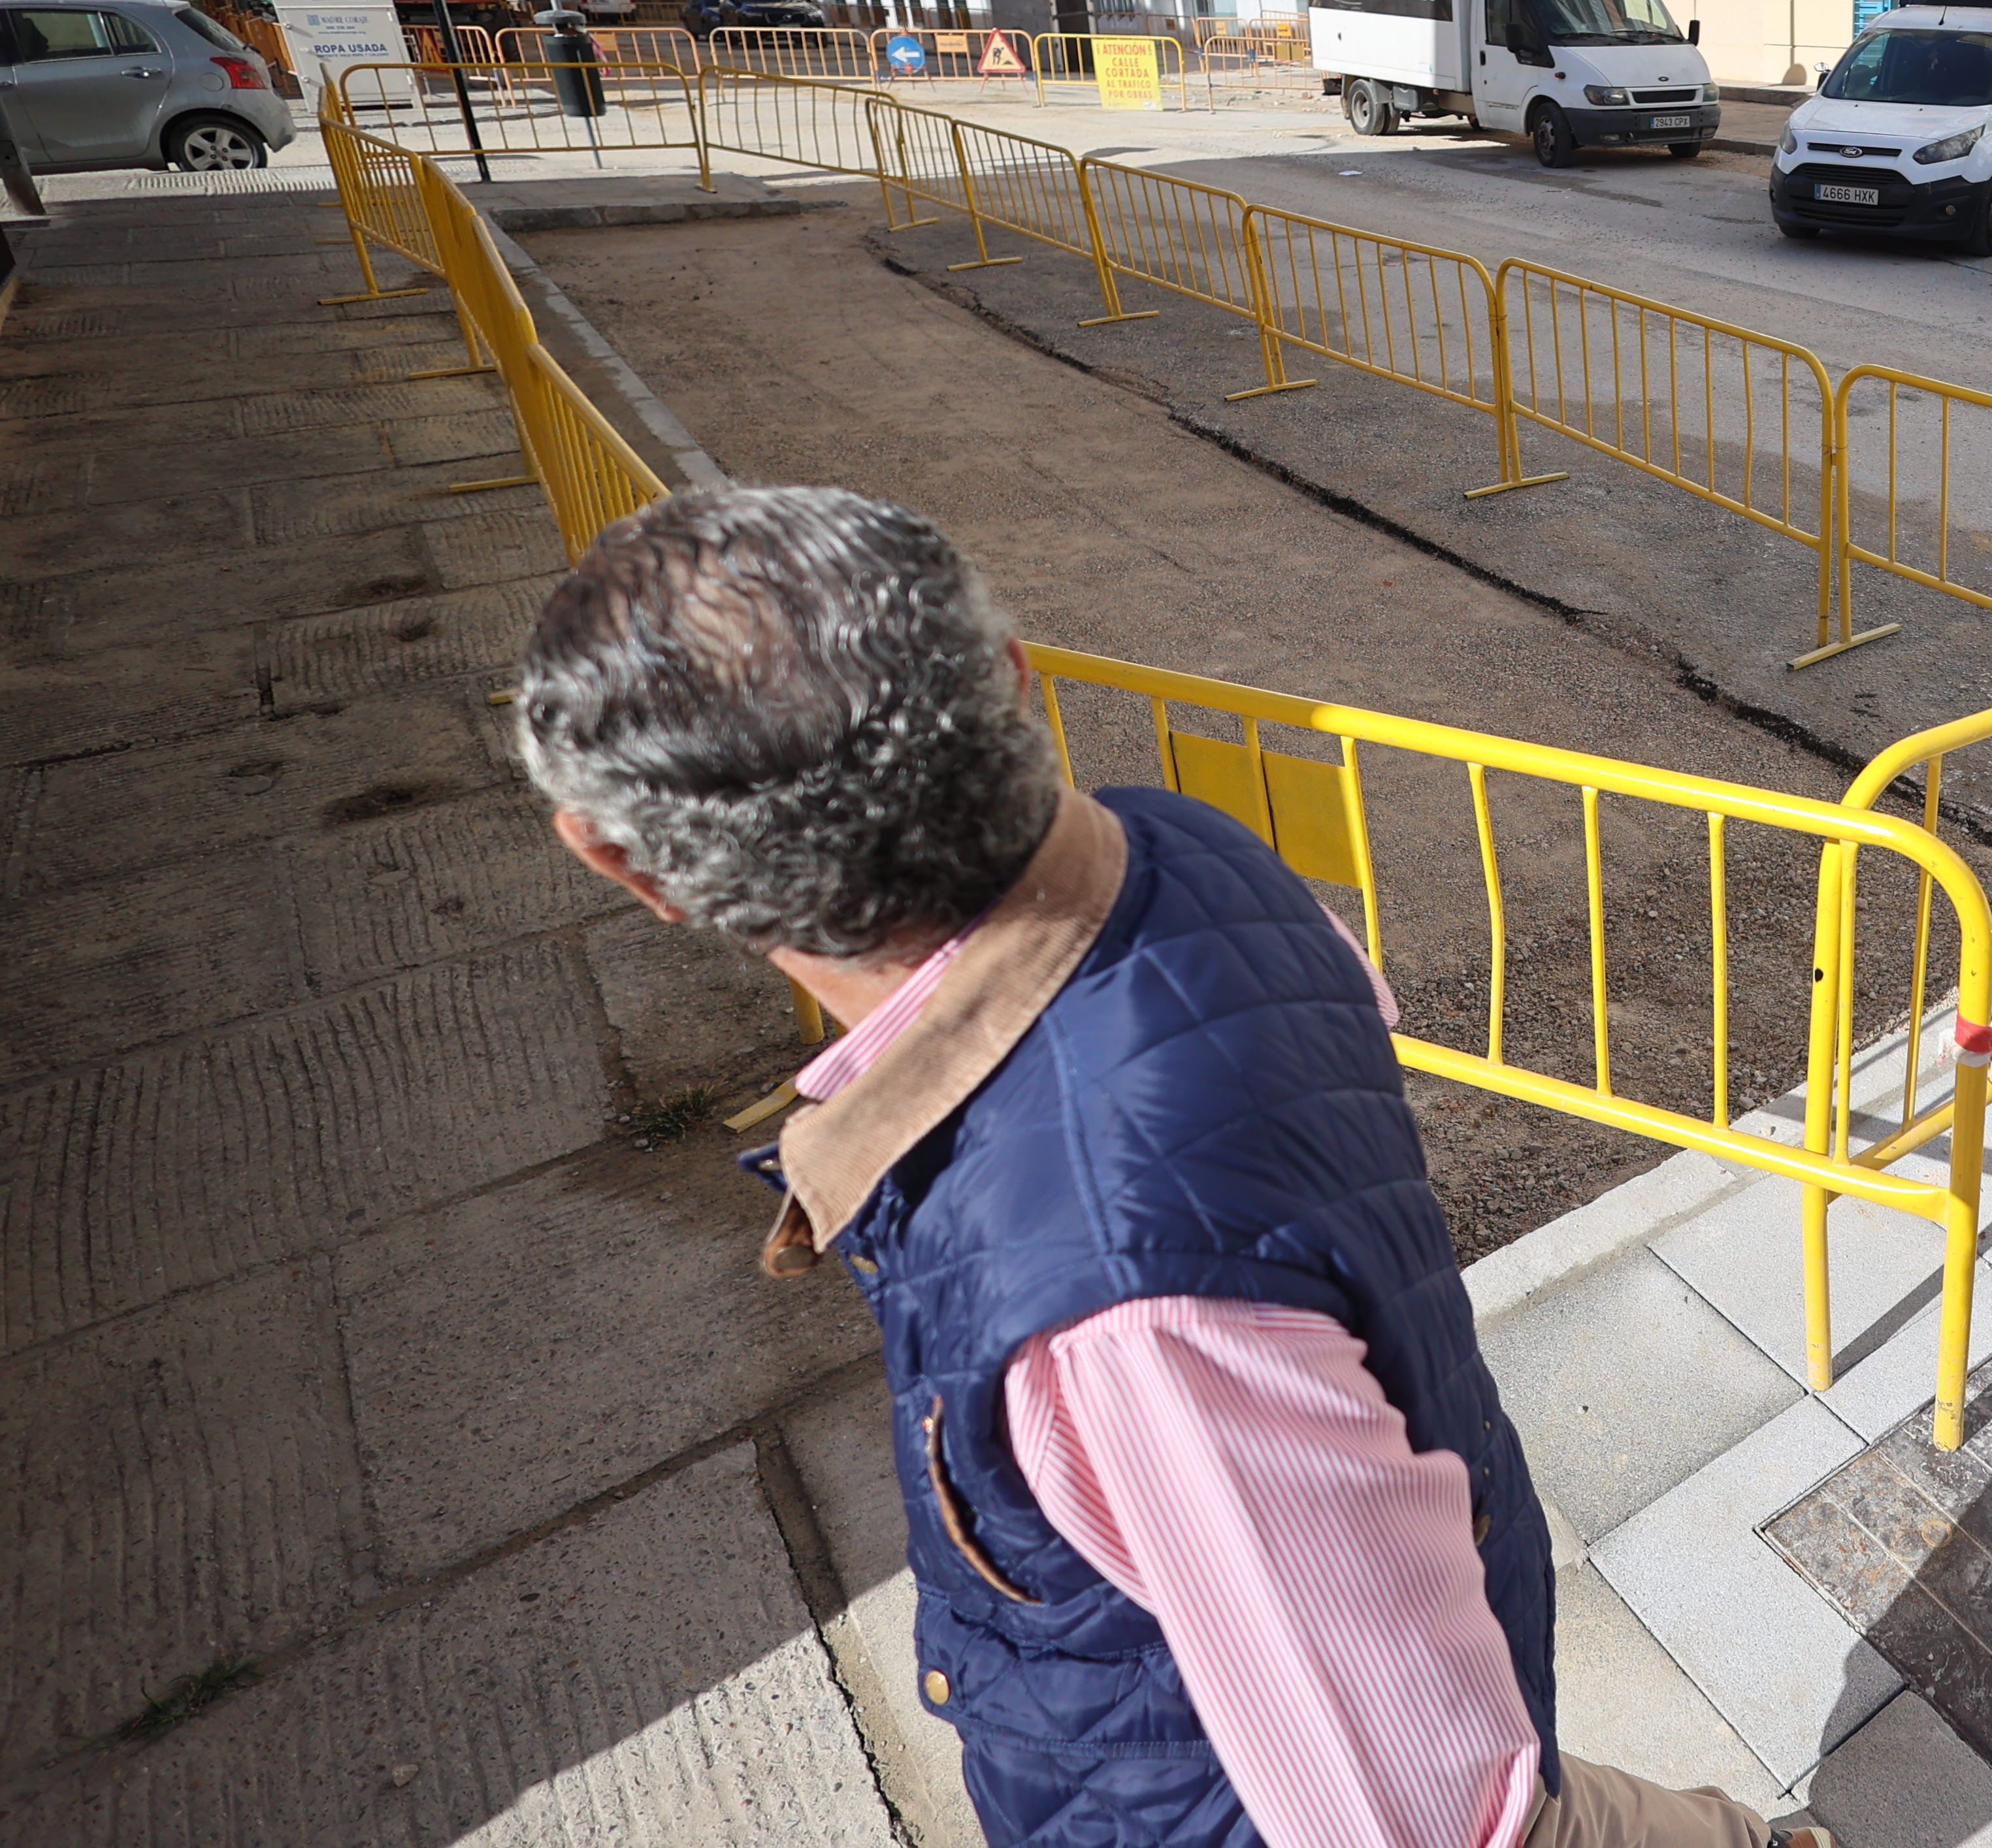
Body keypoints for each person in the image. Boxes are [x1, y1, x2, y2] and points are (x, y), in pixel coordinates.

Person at [518, 485, 1822, 1848]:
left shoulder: (1109, 1302)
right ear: (1013, 685)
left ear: (625, 865)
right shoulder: (1189, 846)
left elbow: (1429, 1822)